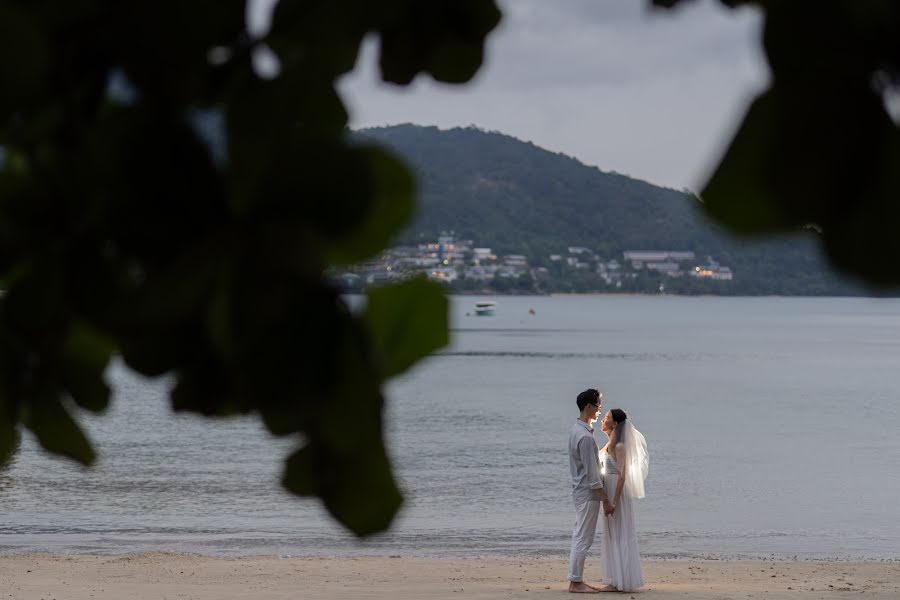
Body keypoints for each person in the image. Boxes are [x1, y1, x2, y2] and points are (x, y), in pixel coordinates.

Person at [597, 408, 649, 592]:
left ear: (615, 424)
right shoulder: (607, 446)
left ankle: (619, 581)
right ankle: (615, 578)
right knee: (611, 534)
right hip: (609, 490)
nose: (603, 420)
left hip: (616, 494)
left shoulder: (619, 447)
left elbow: (621, 476)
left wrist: (614, 502)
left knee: (619, 533)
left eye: (607, 418)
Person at [567, 389, 614, 593]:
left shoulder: (577, 430)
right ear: (588, 406)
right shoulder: (584, 437)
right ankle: (576, 582)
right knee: (583, 538)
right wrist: (605, 500)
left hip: (581, 492)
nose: (599, 411)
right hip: (587, 493)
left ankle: (575, 579)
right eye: (598, 407)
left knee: (580, 536)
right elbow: (593, 476)